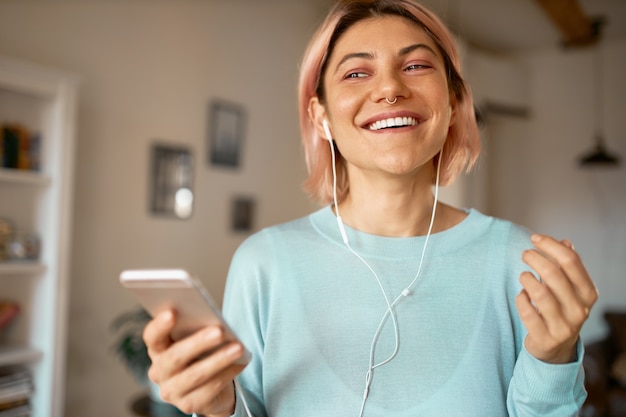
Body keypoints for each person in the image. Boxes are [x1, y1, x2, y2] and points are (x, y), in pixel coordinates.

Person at [143, 1, 598, 416]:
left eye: (416, 65)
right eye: (357, 73)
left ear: (456, 103)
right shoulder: (264, 264)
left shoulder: (519, 264)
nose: (390, 89)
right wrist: (218, 407)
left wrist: (554, 358)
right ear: (321, 117)